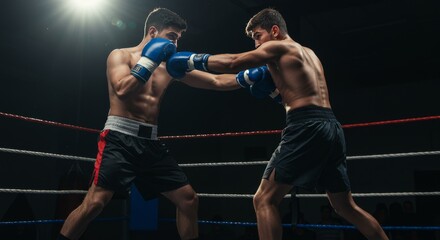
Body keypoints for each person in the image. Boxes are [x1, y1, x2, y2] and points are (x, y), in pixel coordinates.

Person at [166, 8, 390, 240]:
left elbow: (233, 63)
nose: (256, 44)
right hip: (331, 126)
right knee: (345, 207)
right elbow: (292, 93)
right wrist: (275, 94)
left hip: (305, 126)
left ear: (274, 30)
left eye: (257, 36)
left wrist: (192, 60)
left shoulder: (279, 47)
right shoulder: (309, 53)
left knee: (264, 199)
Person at [57, 8, 240, 240]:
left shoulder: (170, 66)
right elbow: (122, 89)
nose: (174, 44)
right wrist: (149, 61)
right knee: (95, 203)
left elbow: (216, 81)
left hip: (150, 144)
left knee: (188, 199)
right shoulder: (120, 55)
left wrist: (251, 77)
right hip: (119, 139)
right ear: (153, 32)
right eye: (172, 37)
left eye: (177, 39)